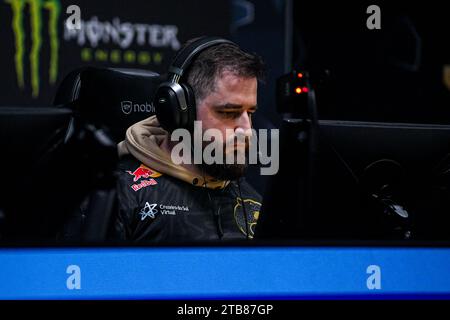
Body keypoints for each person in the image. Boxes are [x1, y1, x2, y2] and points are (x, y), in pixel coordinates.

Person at [112, 36, 265, 242]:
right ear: (181, 111)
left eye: (251, 113)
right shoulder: (121, 195)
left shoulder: (254, 202)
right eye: (229, 112)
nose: (247, 131)